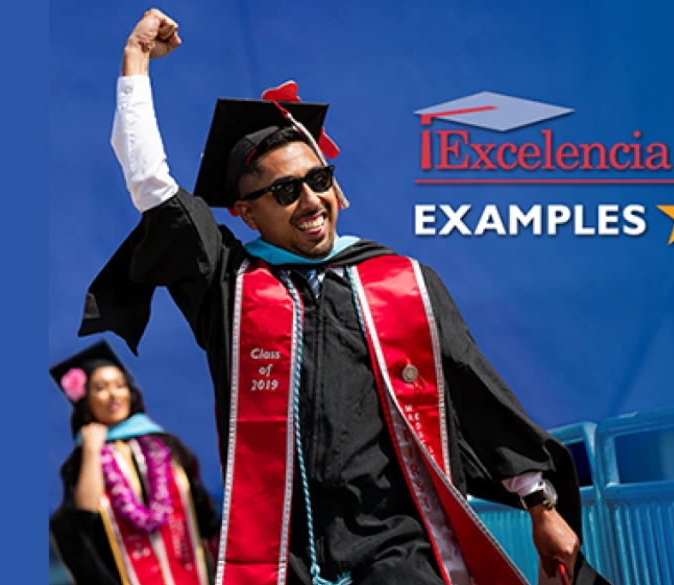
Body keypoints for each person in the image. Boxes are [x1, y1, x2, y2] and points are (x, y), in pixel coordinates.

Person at [78, 9, 610, 585]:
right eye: (284, 191)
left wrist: (542, 507)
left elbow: (478, 394)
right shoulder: (227, 285)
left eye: (319, 180)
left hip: (397, 546)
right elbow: (153, 187)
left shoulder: (402, 283)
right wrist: (135, 61)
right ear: (245, 212)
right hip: (283, 554)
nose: (309, 200)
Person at [49, 339, 220, 585]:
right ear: (85, 401)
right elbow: (84, 516)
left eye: (120, 385)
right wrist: (91, 449)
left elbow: (203, 512)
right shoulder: (82, 460)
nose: (113, 395)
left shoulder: (165, 446)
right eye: (101, 388)